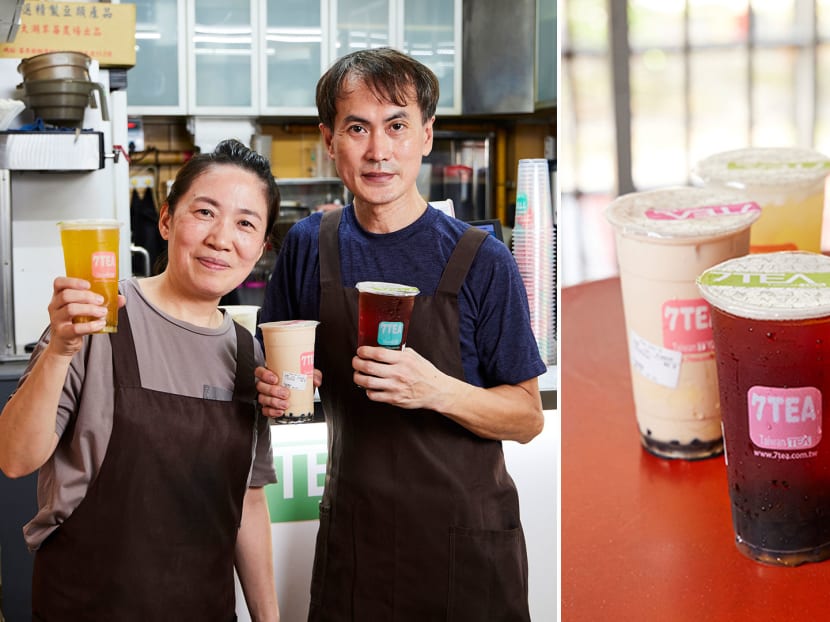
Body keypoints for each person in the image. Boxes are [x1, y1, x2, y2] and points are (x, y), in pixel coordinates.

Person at [255, 47, 546, 621]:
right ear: (329, 140)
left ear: (426, 135)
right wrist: (274, 390)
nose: (378, 151)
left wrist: (435, 389)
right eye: (357, 128)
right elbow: (281, 377)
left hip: (464, 545)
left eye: (396, 126)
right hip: (356, 544)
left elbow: (527, 417)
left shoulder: (481, 259)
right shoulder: (310, 246)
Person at [0, 139, 289, 622]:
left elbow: (248, 502)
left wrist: (269, 618)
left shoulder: (248, 354)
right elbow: (14, 458)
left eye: (245, 223)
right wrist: (59, 351)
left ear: (260, 249)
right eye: (204, 212)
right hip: (88, 605)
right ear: (166, 220)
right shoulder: (97, 318)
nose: (221, 237)